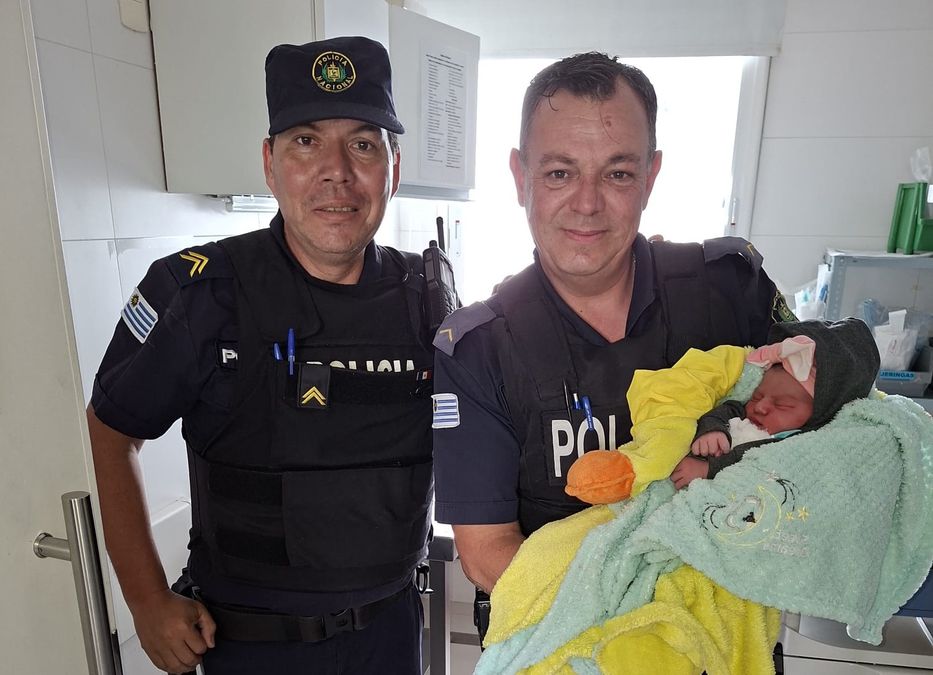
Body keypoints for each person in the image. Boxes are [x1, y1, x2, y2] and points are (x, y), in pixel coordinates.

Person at [87, 37, 438, 674]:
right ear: (270, 163)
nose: (337, 171)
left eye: (364, 144)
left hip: (389, 637)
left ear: (394, 166)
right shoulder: (198, 292)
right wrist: (146, 600)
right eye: (306, 141)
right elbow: (111, 430)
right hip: (251, 647)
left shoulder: (428, 297)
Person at [430, 51, 794, 638]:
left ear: (650, 176)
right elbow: (488, 553)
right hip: (567, 647)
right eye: (559, 173)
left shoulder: (731, 295)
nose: (587, 203)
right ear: (521, 177)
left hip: (725, 644)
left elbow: (828, 433)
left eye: (618, 174)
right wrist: (650, 623)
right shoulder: (480, 348)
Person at [671, 318, 880, 489]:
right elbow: (729, 409)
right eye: (757, 396)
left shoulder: (800, 442)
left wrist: (708, 469)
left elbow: (759, 457)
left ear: (819, 415)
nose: (760, 407)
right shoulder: (748, 413)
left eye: (783, 405)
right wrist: (712, 429)